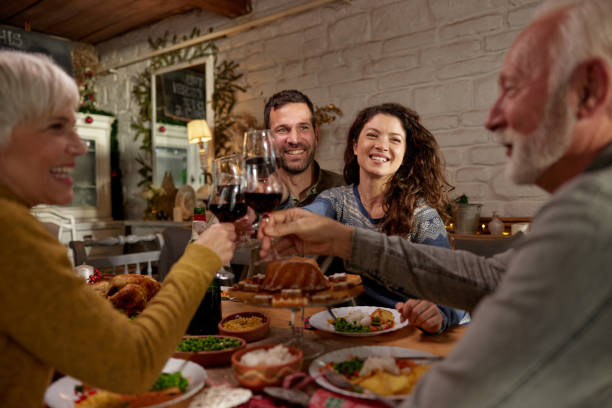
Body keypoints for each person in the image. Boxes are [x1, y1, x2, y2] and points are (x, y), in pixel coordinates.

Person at [259, 0, 612, 405]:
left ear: (589, 89)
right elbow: (487, 279)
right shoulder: (335, 198)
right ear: (354, 146)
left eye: (512, 89)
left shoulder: (592, 213)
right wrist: (344, 241)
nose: (492, 118)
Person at [0, 51, 236, 408]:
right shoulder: (11, 232)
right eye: (57, 126)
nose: (79, 146)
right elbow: (133, 363)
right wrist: (201, 257)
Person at [301, 103, 467, 334]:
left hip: (412, 332)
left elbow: (448, 287)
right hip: (359, 330)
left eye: (395, 139)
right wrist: (291, 221)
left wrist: (438, 314)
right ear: (355, 146)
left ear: (405, 154)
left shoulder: (423, 216)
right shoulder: (336, 201)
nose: (381, 145)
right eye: (372, 135)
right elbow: (313, 214)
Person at [264, 89, 345, 207]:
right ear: (267, 140)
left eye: (303, 127)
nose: (294, 140)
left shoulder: (345, 189)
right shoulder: (254, 198)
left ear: (316, 135)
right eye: (282, 130)